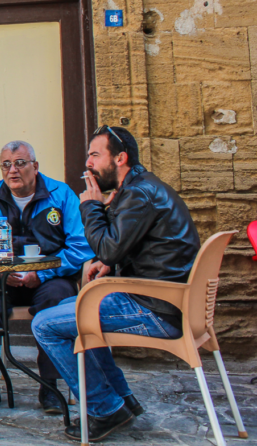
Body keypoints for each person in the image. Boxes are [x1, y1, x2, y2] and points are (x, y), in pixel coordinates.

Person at [32, 126, 200, 442]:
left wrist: (91, 206)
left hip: (155, 308)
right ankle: (122, 399)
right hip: (164, 301)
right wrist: (109, 260)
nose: (88, 164)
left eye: (95, 155)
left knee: (44, 324)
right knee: (70, 308)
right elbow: (123, 245)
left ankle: (105, 409)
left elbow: (108, 247)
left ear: (120, 158)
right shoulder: (142, 188)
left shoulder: (139, 194)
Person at [0, 141, 94, 414]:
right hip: (4, 281)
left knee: (57, 301)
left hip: (52, 279)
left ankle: (50, 386)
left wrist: (42, 274)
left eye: (20, 163)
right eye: (6, 165)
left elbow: (81, 247)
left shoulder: (60, 194)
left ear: (35, 166)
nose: (13, 170)